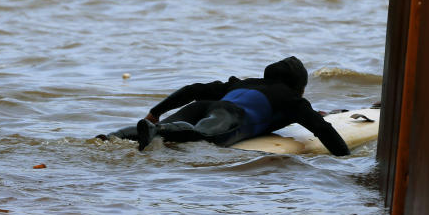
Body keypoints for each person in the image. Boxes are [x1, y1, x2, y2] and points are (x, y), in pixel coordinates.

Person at [103, 56, 350, 156]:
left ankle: (110, 137)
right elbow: (323, 130)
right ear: (299, 86)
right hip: (231, 116)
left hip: (206, 105)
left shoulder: (241, 83)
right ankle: (159, 131)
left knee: (167, 125)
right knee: (203, 135)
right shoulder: (293, 101)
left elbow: (193, 90)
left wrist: (156, 112)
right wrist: (345, 159)